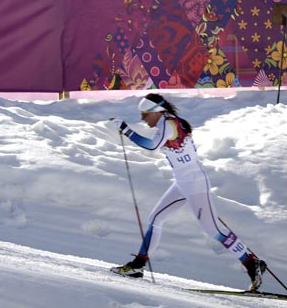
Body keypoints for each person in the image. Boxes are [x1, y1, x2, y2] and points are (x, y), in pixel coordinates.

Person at [108, 93, 267, 291]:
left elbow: (152, 146)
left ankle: (252, 263)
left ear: (156, 112)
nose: (143, 119)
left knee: (214, 230)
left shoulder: (169, 124)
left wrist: (126, 130)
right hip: (182, 184)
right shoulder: (166, 124)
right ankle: (138, 266)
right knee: (155, 219)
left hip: (195, 185)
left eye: (145, 114)